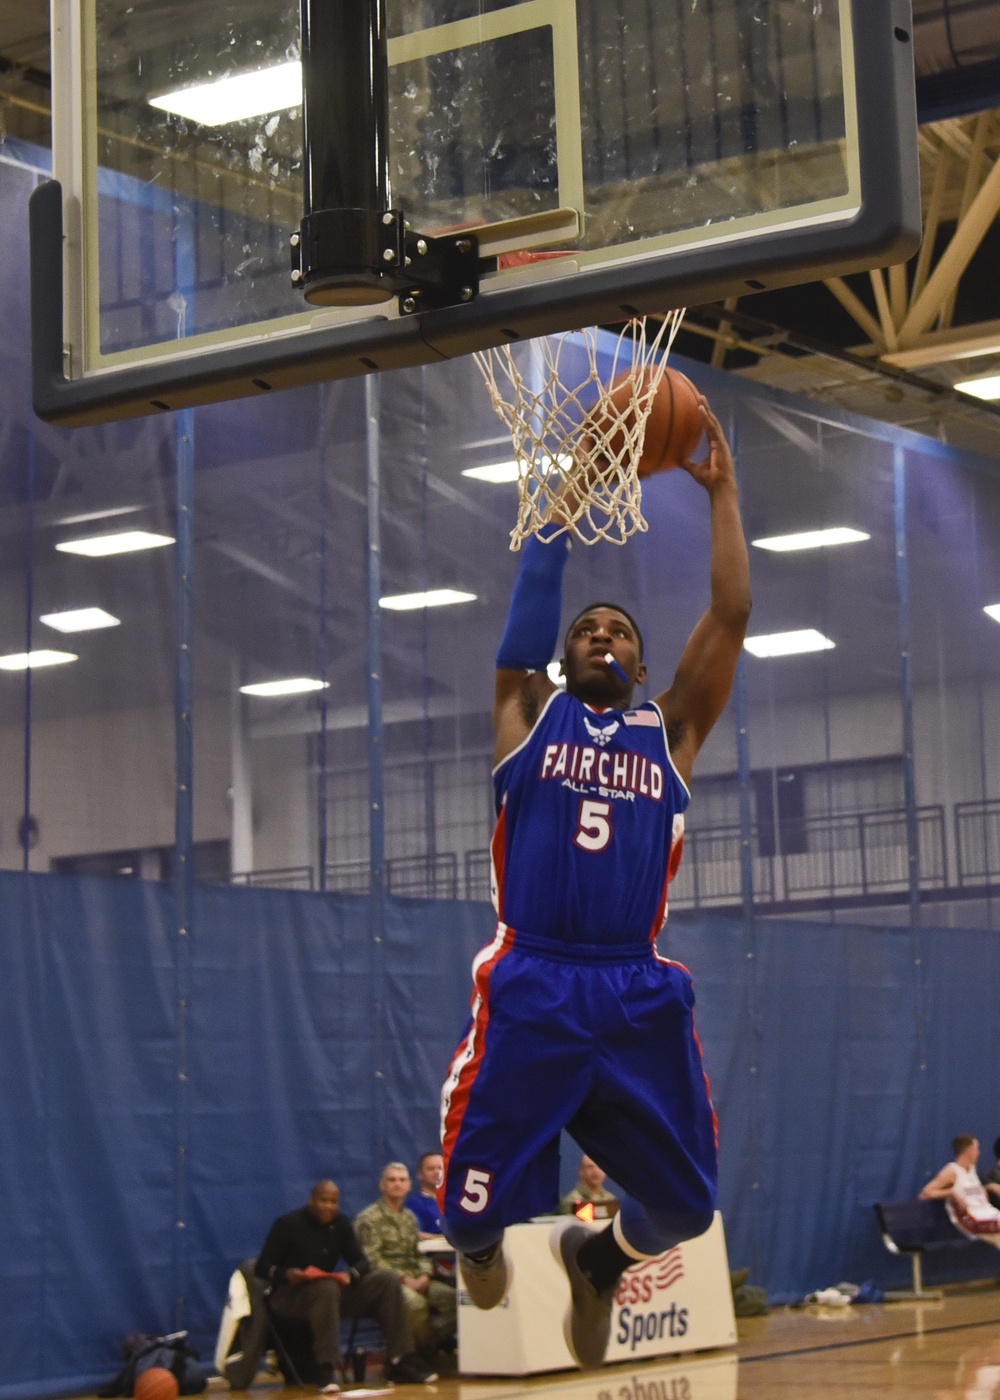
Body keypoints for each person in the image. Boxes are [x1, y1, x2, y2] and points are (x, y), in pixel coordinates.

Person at [438, 396, 751, 1368]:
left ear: (642, 661)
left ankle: (600, 1260)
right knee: (462, 1215)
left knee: (686, 1205)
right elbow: (534, 596)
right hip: (534, 976)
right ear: (562, 661)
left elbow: (731, 614)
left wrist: (723, 490)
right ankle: (481, 1242)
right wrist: (574, 487)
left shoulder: (671, 731)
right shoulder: (526, 713)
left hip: (633, 983)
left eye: (619, 629)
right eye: (587, 631)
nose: (603, 635)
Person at [255, 1179, 438, 1390]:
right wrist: (287, 1273)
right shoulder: (288, 1224)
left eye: (334, 1202)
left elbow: (361, 1262)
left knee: (385, 1280)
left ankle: (400, 1360)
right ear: (311, 1200)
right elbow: (261, 1267)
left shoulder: (340, 1224)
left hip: (328, 1294)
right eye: (323, 1200)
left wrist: (350, 1275)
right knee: (326, 1288)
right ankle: (326, 1368)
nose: (329, 1206)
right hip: (289, 1296)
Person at [356, 1162, 458, 1355]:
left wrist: (425, 1275)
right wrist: (404, 1279)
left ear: (409, 1185)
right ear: (382, 1185)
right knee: (416, 1304)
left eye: (402, 1180)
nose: (397, 1184)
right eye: (392, 1180)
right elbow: (372, 1260)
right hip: (387, 1284)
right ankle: (411, 1355)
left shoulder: (410, 1218)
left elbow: (419, 1253)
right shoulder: (369, 1219)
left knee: (454, 1301)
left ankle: (424, 1347)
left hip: (417, 1278)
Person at [920, 1136, 1000, 1247]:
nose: (979, 1153)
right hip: (971, 1219)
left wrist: (985, 1189)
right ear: (968, 1151)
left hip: (987, 1213)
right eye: (977, 1149)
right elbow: (925, 1193)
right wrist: (951, 1192)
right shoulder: (951, 1171)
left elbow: (969, 1191)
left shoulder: (971, 1170)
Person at [407, 1152, 446, 1236]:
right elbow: (416, 1234)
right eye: (431, 1169)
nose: (437, 1172)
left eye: (441, 1168)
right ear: (420, 1174)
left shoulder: (456, 1201)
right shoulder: (414, 1203)